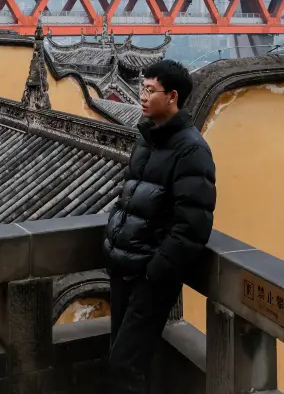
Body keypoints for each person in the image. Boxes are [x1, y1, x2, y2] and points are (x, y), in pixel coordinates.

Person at [103, 59, 216, 394]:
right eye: (142, 87)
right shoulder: (147, 139)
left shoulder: (192, 150)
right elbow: (129, 196)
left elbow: (193, 225)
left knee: (126, 363)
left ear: (173, 97)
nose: (142, 95)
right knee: (121, 359)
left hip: (149, 278)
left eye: (151, 90)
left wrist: (155, 273)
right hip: (125, 268)